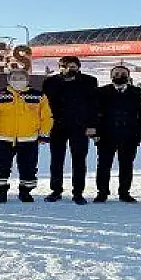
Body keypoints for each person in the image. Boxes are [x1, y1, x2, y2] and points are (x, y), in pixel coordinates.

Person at [0, 69, 53, 203]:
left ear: (27, 80)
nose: (18, 81)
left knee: (29, 167)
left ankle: (25, 192)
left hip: (29, 139)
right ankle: (1, 192)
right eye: (15, 78)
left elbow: (46, 117)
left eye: (21, 78)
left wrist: (44, 134)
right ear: (9, 80)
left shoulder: (38, 96)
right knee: (1, 167)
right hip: (4, 138)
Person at [42, 55, 99, 205]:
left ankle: (78, 192)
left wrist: (92, 125)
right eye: (64, 66)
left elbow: (94, 105)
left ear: (78, 67)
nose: (69, 69)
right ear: (59, 67)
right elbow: (44, 107)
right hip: (57, 126)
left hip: (80, 127)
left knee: (79, 160)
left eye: (73, 66)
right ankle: (55, 190)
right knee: (56, 160)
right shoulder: (50, 82)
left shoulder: (89, 81)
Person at [93, 66, 141, 203]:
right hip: (106, 135)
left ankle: (124, 192)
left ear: (128, 76)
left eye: (123, 73)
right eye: (116, 73)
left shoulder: (136, 92)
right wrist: (95, 132)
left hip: (129, 135)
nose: (120, 75)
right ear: (111, 76)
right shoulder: (101, 92)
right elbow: (94, 113)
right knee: (104, 165)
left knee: (126, 165)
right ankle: (102, 192)